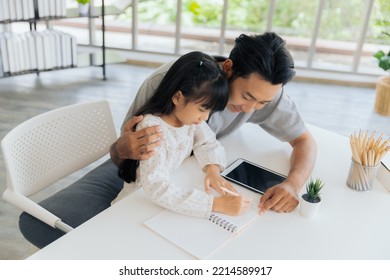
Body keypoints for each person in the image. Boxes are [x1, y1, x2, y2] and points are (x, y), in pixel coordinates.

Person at [19, 32, 317, 249]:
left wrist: (292, 183)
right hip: (146, 170)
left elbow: (303, 140)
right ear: (228, 69)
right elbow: (134, 165)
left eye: (263, 103)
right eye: (247, 97)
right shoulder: (169, 91)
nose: (251, 109)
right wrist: (124, 147)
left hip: (185, 172)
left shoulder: (265, 93)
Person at [112, 51, 251, 217]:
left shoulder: (190, 120)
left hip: (162, 204)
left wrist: (212, 170)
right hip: (134, 208)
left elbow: (208, 143)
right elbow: (156, 187)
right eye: (202, 109)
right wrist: (214, 204)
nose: (205, 117)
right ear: (178, 97)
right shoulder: (151, 129)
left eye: (210, 110)